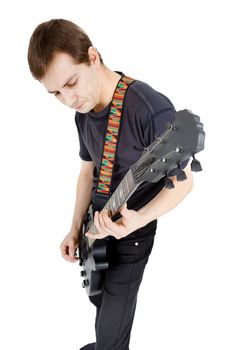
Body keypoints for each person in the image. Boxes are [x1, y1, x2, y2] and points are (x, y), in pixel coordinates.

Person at [28, 19, 193, 350]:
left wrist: (138, 219)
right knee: (101, 305)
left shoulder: (149, 109)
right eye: (56, 93)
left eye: (71, 83)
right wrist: (75, 229)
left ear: (92, 56)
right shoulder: (83, 114)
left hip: (131, 239)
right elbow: (87, 173)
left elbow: (184, 181)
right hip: (96, 230)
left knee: (111, 338)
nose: (69, 99)